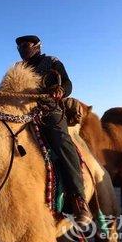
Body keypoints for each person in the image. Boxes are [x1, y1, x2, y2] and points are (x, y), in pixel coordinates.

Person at [16, 35, 92, 225]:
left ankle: (78, 199)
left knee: (62, 142)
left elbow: (67, 83)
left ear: (37, 46)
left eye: (26, 45)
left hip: (49, 109)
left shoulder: (51, 62)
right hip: (20, 110)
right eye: (20, 46)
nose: (22, 48)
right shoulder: (18, 68)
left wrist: (60, 90)